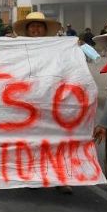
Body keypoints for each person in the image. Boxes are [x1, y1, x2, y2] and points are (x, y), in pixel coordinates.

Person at [13, 12, 73, 194]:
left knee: (57, 141)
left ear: (45, 30)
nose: (36, 29)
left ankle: (61, 179)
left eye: (39, 26)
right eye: (32, 26)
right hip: (28, 102)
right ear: (27, 29)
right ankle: (32, 176)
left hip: (53, 101)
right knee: (31, 141)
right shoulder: (17, 48)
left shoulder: (59, 48)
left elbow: (69, 67)